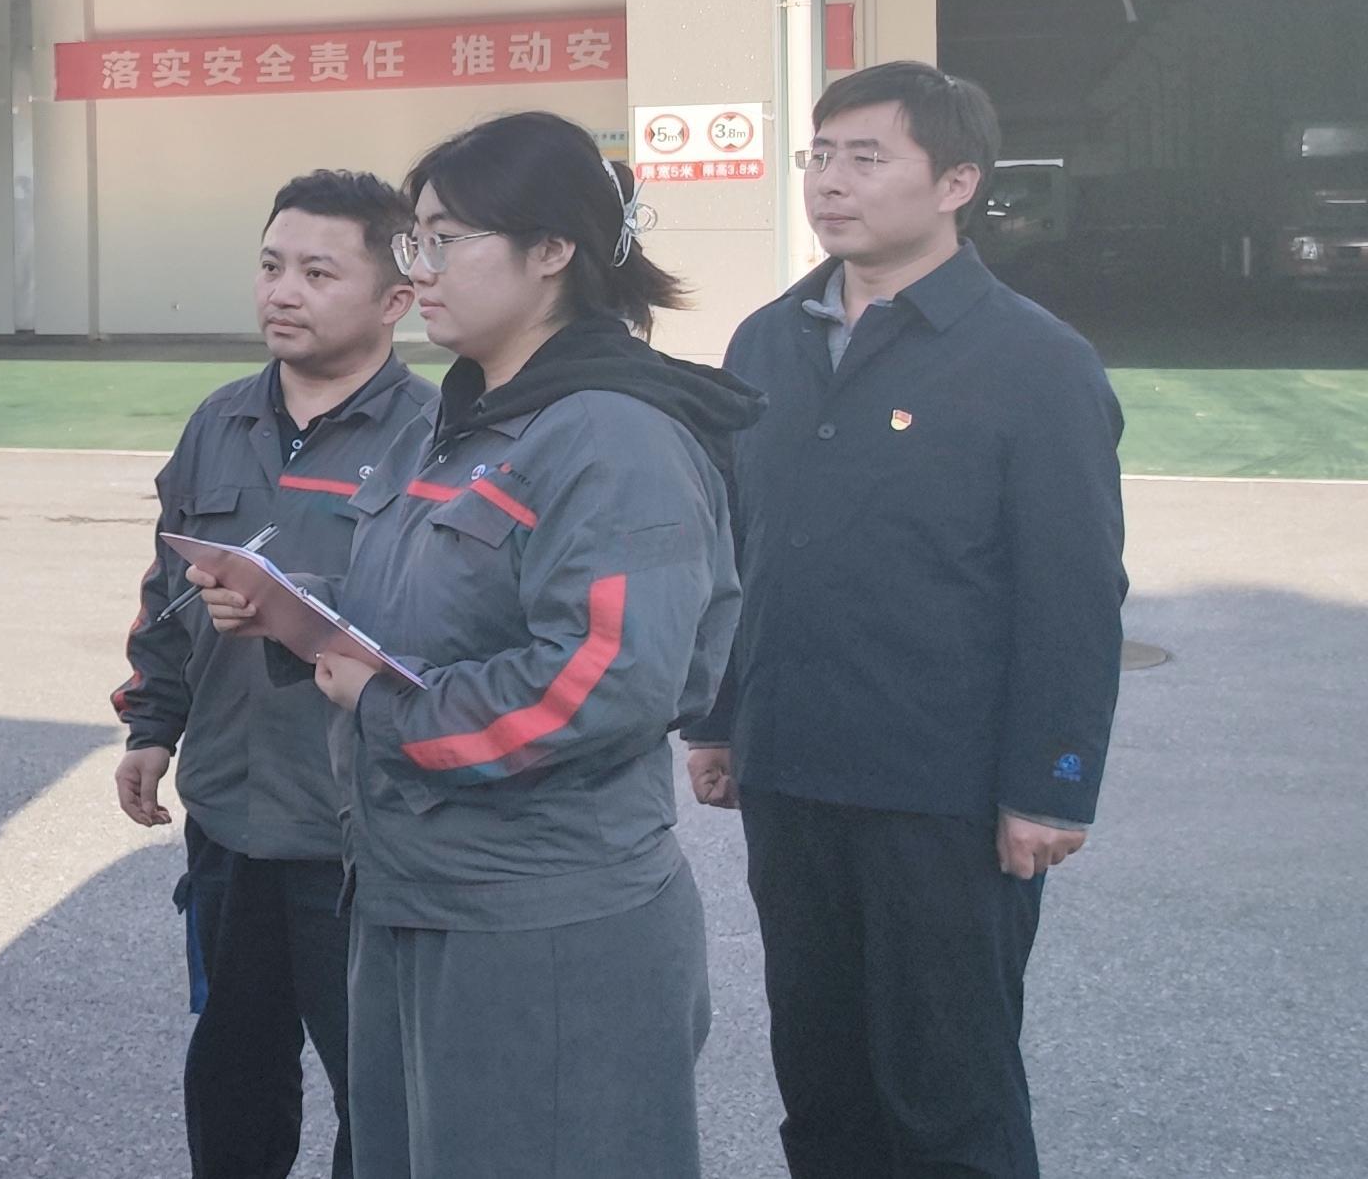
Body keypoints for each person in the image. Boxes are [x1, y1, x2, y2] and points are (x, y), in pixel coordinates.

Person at [202, 111, 758, 1179]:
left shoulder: (612, 435)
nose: (420, 266)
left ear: (551, 250)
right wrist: (298, 609)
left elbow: (601, 682)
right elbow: (434, 601)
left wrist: (385, 702)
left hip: (538, 921)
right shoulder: (463, 422)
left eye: (446, 238)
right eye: (415, 238)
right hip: (416, 890)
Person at [684, 62, 1126, 1179]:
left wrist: (1051, 782)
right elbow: (740, 547)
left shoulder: (1035, 361)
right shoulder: (767, 340)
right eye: (819, 156)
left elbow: (1074, 593)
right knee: (821, 1082)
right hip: (792, 772)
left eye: (866, 158)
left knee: (946, 1097)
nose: (829, 182)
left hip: (944, 794)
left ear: (956, 183)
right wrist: (719, 720)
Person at [114, 170, 434, 1179]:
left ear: (395, 298)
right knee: (233, 1069)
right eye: (270, 265)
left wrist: (299, 613)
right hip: (228, 817)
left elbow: (444, 627)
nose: (282, 291)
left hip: (356, 828)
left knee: (374, 1085)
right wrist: (152, 726)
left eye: (317, 273)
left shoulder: (433, 438)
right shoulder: (220, 420)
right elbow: (167, 591)